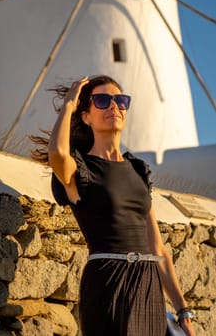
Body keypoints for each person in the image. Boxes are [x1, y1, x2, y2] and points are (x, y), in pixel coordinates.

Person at [32, 75, 195, 336]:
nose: (113, 106)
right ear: (86, 116)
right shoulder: (81, 170)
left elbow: (157, 248)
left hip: (148, 286)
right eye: (102, 100)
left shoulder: (138, 169)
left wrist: (182, 310)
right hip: (109, 283)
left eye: (120, 100)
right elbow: (57, 154)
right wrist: (68, 105)